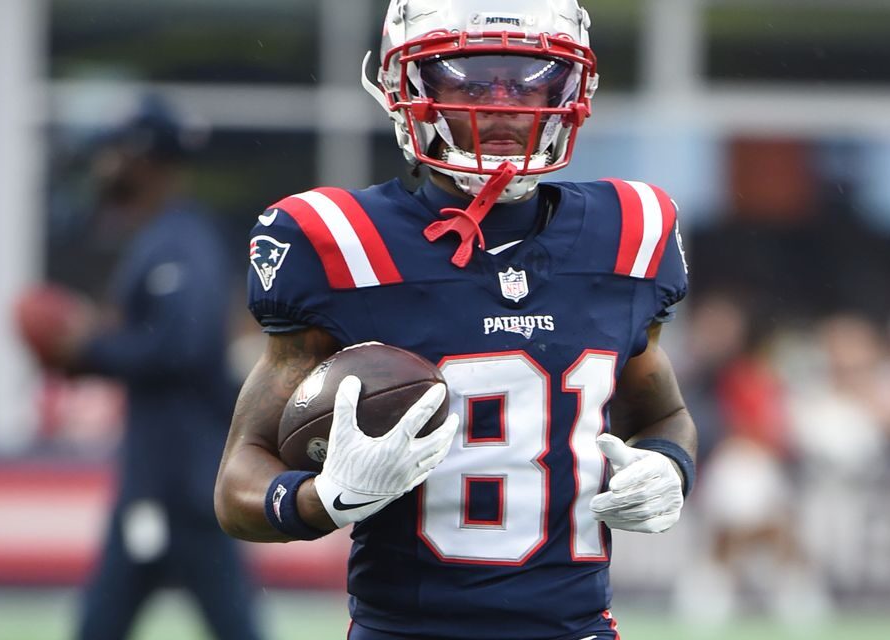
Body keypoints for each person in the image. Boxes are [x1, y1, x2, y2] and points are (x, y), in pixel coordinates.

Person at [215, 2, 697, 638]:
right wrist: (322, 498)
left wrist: (669, 465)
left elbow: (664, 416)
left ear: (572, 89)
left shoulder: (628, 232)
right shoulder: (341, 243)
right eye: (467, 78)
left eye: (530, 78)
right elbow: (237, 484)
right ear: (405, 88)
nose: (502, 103)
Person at [16, 96, 264, 640]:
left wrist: (90, 349)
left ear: (143, 157)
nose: (105, 165)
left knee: (230, 627)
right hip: (161, 478)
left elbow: (183, 346)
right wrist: (96, 347)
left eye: (114, 152)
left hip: (184, 484)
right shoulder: (162, 235)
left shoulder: (182, 241)